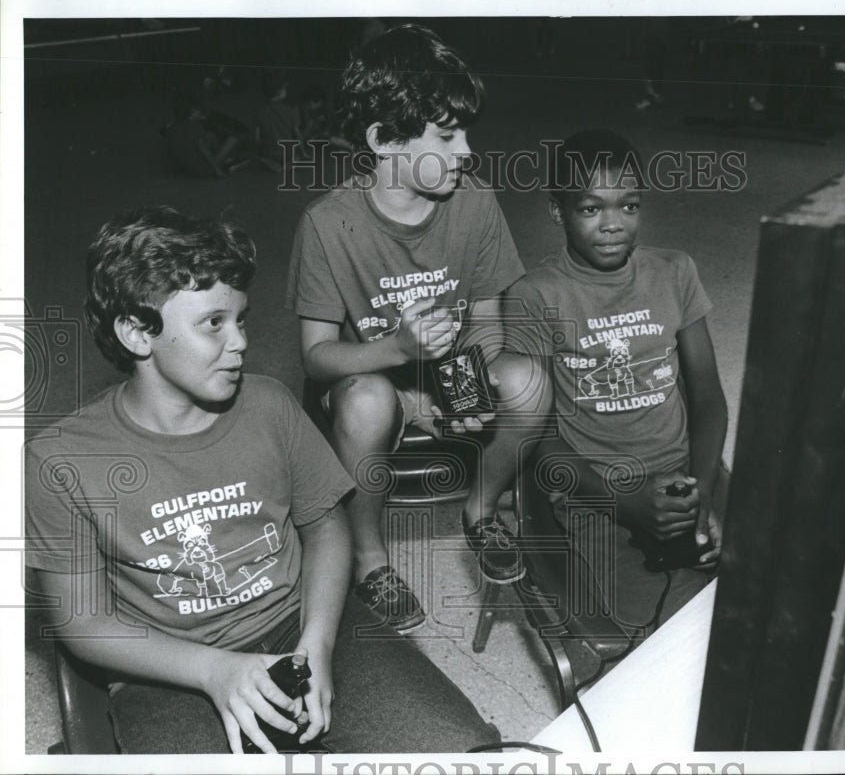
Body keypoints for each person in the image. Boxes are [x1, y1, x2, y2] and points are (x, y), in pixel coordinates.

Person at [24, 207, 500, 754]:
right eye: (213, 323)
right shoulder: (59, 460)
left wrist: (317, 644)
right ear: (135, 333)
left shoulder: (270, 404)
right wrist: (214, 671)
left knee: (465, 752)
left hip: (304, 625)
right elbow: (82, 623)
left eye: (241, 318)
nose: (241, 342)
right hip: (172, 668)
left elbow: (325, 527)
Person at [285, 24, 547, 632]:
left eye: (464, 133)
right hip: (372, 373)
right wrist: (396, 346)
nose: (466, 151)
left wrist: (470, 386)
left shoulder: (476, 203)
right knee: (368, 400)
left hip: (454, 370)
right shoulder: (327, 224)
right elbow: (317, 357)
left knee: (530, 381)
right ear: (383, 141)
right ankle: (369, 555)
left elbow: (485, 321)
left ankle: (481, 510)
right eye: (446, 136)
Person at [506, 129, 728, 633]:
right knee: (650, 634)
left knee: (768, 593)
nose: (613, 225)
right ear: (557, 212)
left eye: (629, 206)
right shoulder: (533, 294)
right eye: (590, 209)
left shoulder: (675, 271)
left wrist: (704, 495)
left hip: (687, 471)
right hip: (596, 488)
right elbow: (539, 436)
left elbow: (709, 396)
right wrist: (623, 501)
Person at [162, 93, 250, 178]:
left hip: (189, 170)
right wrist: (216, 169)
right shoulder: (195, 126)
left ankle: (224, 161)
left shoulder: (172, 128)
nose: (200, 112)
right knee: (233, 140)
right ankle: (225, 162)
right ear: (192, 112)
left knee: (210, 135)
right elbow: (202, 148)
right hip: (205, 170)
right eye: (198, 110)